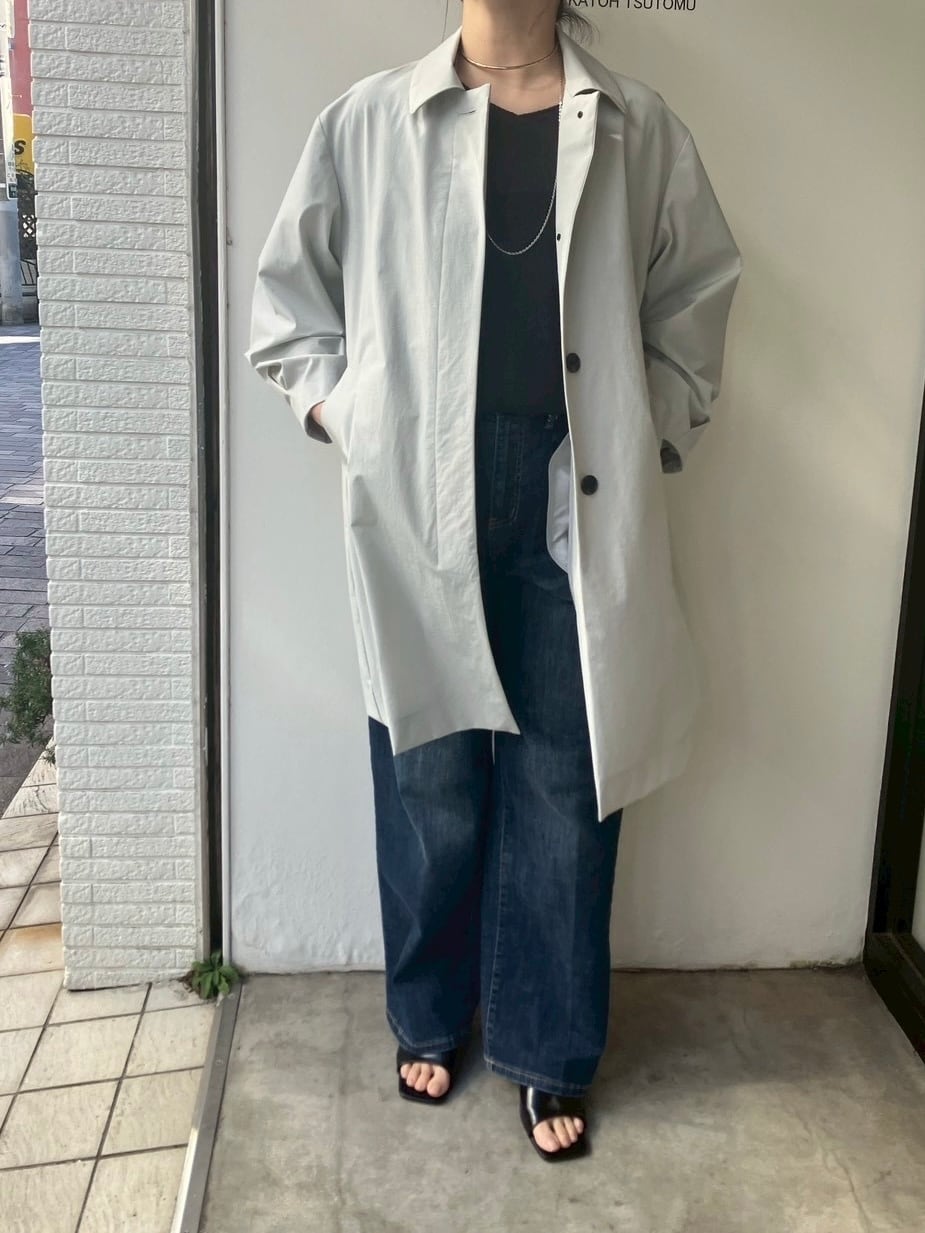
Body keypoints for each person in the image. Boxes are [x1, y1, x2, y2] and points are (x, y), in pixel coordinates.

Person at [246, 0, 743, 1163]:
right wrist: (350, 416)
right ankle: (429, 1012)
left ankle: (546, 1044)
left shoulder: (636, 127)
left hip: (578, 486)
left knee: (565, 781)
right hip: (420, 489)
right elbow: (286, 306)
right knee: (428, 772)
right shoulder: (370, 121)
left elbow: (697, 294)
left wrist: (649, 429)